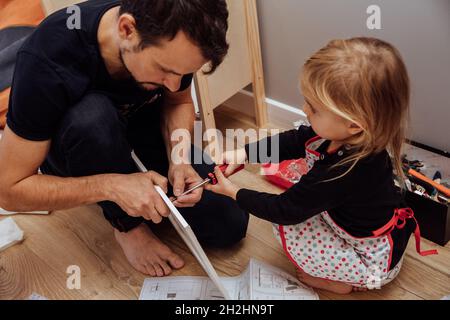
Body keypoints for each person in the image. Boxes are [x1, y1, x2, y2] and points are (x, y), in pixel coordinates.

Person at [0, 0, 249, 277]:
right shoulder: (48, 58)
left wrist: (179, 158)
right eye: (164, 70)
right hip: (78, 141)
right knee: (92, 117)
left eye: (183, 73)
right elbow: (9, 191)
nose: (174, 84)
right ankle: (127, 227)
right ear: (127, 29)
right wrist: (113, 187)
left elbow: (178, 102)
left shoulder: (176, 40)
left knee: (230, 223)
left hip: (138, 128)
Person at [205, 37, 437, 294]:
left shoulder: (340, 173)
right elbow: (293, 141)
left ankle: (345, 283)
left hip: (369, 258)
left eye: (314, 108)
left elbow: (285, 210)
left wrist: (234, 193)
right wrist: (244, 153)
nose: (304, 109)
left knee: (286, 226)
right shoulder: (351, 136)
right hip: (365, 227)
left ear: (354, 124)